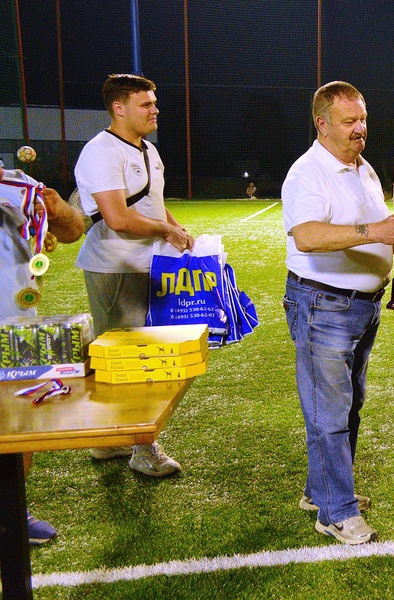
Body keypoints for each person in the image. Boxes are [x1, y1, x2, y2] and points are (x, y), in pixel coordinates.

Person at [282, 81, 394, 545]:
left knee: (346, 406)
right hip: (323, 303)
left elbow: (371, 230)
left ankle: (321, 491)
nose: (360, 129)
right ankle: (336, 512)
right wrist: (377, 229)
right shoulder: (308, 172)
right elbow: (306, 235)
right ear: (321, 124)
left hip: (361, 306)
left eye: (362, 119)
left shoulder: (362, 169)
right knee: (329, 412)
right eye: (349, 121)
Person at [75, 74, 195, 477]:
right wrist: (166, 230)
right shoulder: (101, 151)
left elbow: (153, 205)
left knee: (143, 357)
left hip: (148, 264)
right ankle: (143, 450)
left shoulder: (148, 149)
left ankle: (108, 439)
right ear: (119, 108)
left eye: (154, 103)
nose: (155, 109)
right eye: (145, 104)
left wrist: (176, 228)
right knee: (130, 361)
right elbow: (117, 218)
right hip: (115, 267)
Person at [1, 157, 85, 544]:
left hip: (17, 328)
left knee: (18, 424)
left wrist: (55, 207)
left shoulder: (17, 182)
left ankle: (11, 511)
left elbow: (72, 230)